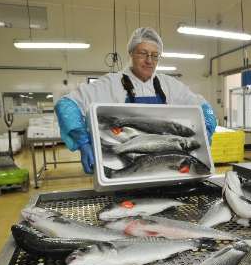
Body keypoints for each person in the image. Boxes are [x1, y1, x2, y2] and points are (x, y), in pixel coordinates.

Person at [55, 27, 217, 174]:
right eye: (143, 53)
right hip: (126, 169)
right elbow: (67, 104)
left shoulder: (170, 85)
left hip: (164, 170)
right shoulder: (110, 84)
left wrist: (207, 130)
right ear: (131, 53)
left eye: (155, 55)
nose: (149, 60)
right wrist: (83, 142)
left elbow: (204, 107)